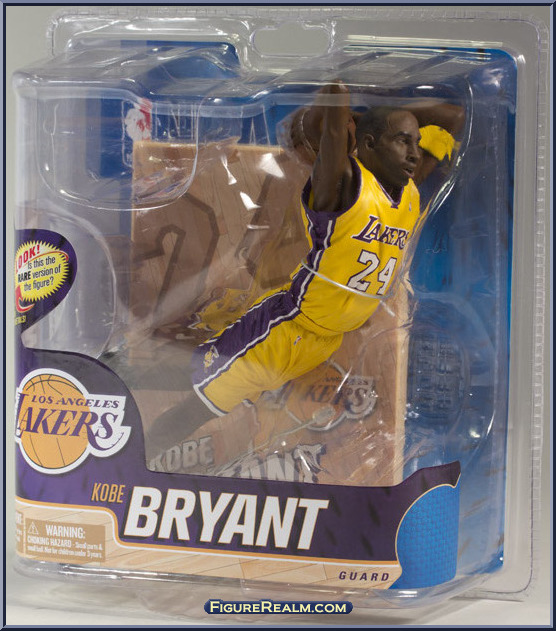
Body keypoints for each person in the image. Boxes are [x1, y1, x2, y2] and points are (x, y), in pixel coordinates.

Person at [146, 82, 464, 462]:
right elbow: (334, 103)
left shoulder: (408, 193)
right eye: (402, 141)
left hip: (324, 342)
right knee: (200, 401)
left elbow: (455, 116)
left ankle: (118, 372)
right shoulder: (345, 186)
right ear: (369, 143)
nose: (414, 153)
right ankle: (133, 441)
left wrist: (388, 117)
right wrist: (358, 115)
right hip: (288, 327)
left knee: (201, 376)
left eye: (416, 142)